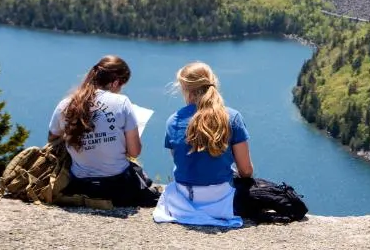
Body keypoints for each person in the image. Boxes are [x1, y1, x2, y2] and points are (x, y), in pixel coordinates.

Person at [48, 55, 159, 207]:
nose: (120, 91)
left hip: (80, 184)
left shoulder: (66, 104)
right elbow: (134, 152)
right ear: (115, 83)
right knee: (140, 176)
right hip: (118, 187)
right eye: (121, 86)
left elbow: (52, 138)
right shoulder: (122, 102)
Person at [152, 61, 253, 227]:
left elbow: (180, 161)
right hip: (222, 201)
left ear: (185, 89)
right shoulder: (232, 117)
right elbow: (246, 171)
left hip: (183, 201)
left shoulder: (173, 121)